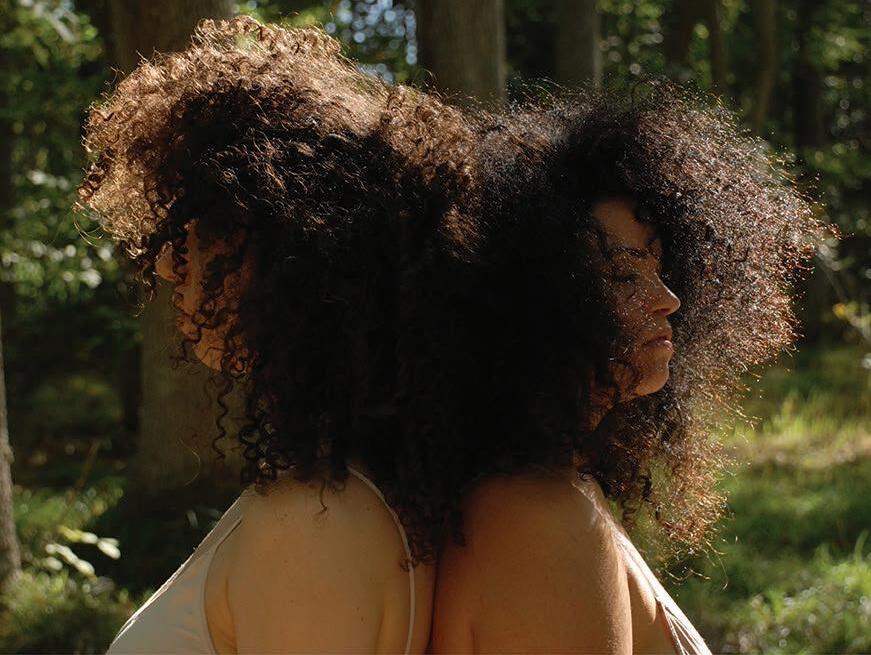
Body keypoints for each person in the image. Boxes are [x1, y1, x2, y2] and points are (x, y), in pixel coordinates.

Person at [77, 16, 479, 654]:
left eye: (196, 228)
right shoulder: (344, 492)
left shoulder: (313, 522)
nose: (167, 265)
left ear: (292, 251)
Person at [428, 87, 830, 653]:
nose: (668, 299)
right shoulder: (539, 517)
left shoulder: (548, 490)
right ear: (533, 306)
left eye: (659, 268)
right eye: (622, 276)